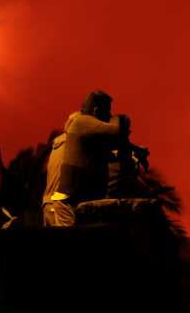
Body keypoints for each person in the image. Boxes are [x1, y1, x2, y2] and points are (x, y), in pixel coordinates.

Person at [41, 90, 128, 227]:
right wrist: (119, 119)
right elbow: (117, 130)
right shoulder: (83, 124)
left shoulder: (73, 139)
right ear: (96, 110)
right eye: (107, 111)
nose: (109, 115)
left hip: (56, 204)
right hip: (64, 203)